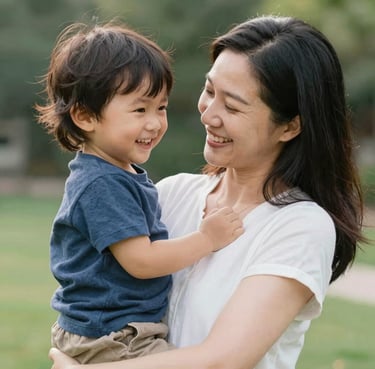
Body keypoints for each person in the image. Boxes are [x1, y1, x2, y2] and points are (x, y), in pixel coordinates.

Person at [48, 15, 366, 369]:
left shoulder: (299, 226)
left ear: (290, 126)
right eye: (210, 91)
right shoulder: (170, 194)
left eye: (232, 106)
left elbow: (223, 360)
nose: (208, 114)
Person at [35, 21, 244, 364]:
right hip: (110, 336)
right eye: (139, 109)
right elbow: (141, 261)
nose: (155, 123)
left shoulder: (117, 173)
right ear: (85, 116)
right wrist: (207, 238)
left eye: (160, 108)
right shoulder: (101, 183)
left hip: (115, 330)